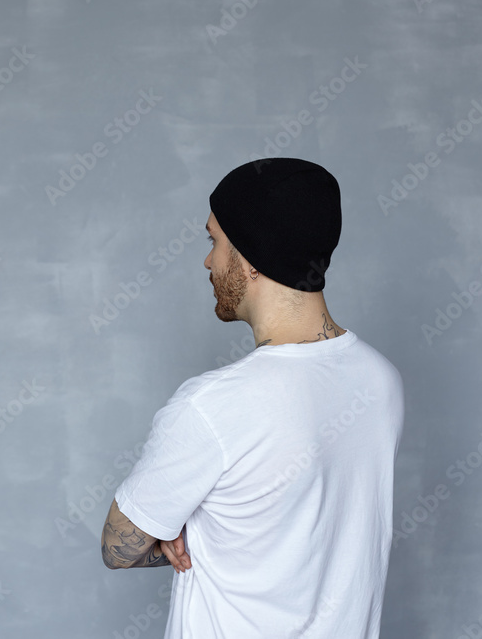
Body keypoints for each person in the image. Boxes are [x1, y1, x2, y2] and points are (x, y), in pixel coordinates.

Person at [100, 158, 405, 638]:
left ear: (252, 257)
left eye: (215, 242)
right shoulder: (381, 380)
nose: (208, 260)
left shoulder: (212, 407)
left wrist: (175, 530)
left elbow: (117, 548)